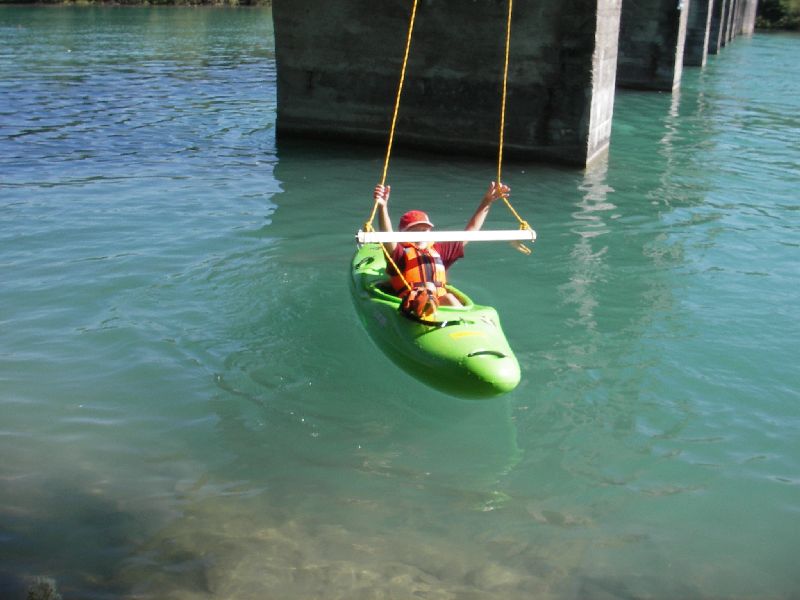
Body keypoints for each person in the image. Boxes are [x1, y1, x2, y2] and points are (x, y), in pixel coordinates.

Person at [372, 181, 511, 314]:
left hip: (440, 304)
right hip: (412, 305)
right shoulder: (400, 254)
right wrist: (382, 207)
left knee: (450, 298)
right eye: (415, 230)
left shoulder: (439, 250)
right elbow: (387, 234)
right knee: (425, 292)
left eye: (425, 229)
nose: (421, 233)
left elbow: (471, 231)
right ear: (403, 235)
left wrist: (487, 201)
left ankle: (461, 323)